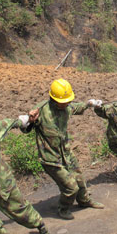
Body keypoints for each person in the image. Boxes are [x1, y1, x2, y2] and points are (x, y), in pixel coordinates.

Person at [25, 78, 103, 220]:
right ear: (54, 99)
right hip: (50, 158)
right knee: (70, 187)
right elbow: (26, 128)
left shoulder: (67, 106)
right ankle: (63, 208)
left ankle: (84, 201)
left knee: (79, 179)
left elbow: (76, 108)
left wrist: (89, 104)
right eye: (63, 102)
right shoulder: (41, 110)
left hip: (66, 153)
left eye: (68, 101)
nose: (66, 103)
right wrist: (29, 121)